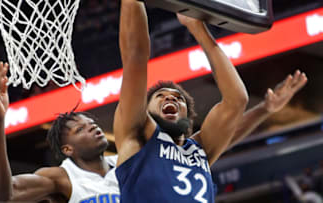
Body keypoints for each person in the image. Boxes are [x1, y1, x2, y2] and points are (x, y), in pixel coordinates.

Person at [113, 0, 308, 202]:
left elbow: (237, 100)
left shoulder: (199, 150)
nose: (170, 97)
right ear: (146, 111)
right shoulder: (136, 136)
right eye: (160, 96)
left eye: (178, 98)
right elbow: (135, 58)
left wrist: (198, 28)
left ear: (188, 116)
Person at [0, 62, 120, 202]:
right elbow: (4, 195)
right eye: (80, 129)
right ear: (68, 149)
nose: (93, 127)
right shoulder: (62, 178)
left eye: (92, 123)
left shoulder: (124, 162)